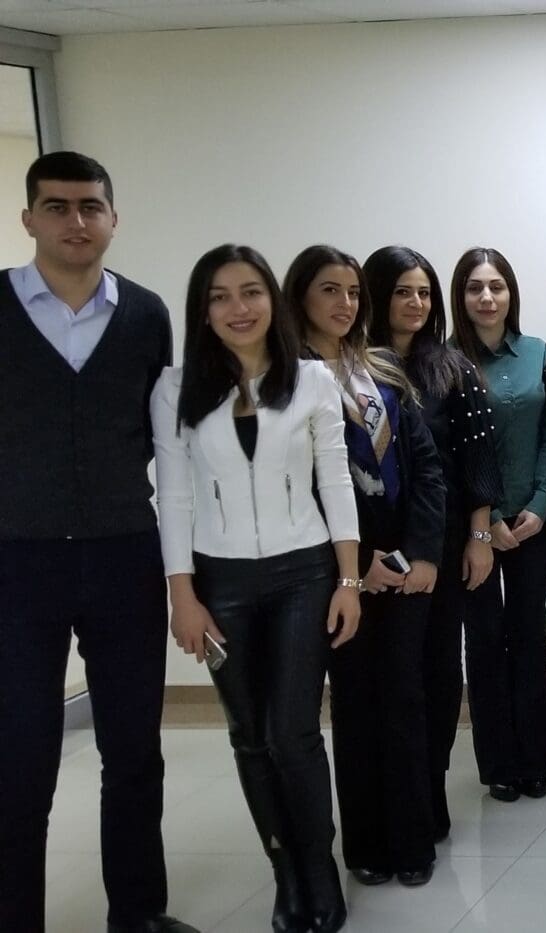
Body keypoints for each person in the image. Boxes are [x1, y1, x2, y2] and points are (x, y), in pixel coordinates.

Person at [0, 151, 196, 933]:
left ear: (113, 218)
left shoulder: (147, 313)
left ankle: (138, 914)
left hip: (123, 554)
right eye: (57, 207)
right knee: (21, 759)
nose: (75, 222)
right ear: (29, 220)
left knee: (133, 751)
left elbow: (159, 438)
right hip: (18, 559)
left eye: (90, 207)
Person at [152, 244, 361, 933]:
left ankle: (320, 864)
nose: (238, 308)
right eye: (219, 296)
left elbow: (334, 479)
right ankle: (285, 871)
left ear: (274, 299)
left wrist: (350, 578)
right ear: (202, 311)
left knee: (293, 731)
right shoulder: (176, 387)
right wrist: (182, 594)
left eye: (251, 292)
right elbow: (174, 496)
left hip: (304, 572)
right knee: (247, 735)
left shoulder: (311, 381)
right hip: (220, 581)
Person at [291, 243, 447, 890]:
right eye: (330, 290)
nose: (345, 303)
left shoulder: (379, 370)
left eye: (353, 292)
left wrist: (420, 552)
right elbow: (298, 484)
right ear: (300, 296)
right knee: (355, 706)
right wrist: (355, 565)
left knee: (405, 700)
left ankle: (412, 840)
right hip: (338, 574)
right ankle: (367, 846)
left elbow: (427, 468)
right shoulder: (284, 379)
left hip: (405, 568)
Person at [366, 246, 503, 843]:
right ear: (376, 296)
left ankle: (430, 788)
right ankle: (389, 800)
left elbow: (478, 460)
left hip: (443, 543)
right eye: (402, 292)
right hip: (369, 548)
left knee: (439, 673)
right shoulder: (350, 368)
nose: (416, 303)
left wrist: (478, 537)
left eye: (423, 293)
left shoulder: (452, 367)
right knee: (385, 680)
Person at [449, 248, 546, 801]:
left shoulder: (537, 351)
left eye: (496, 286)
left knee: (528, 637)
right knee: (485, 643)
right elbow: (452, 453)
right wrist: (488, 520)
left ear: (511, 293)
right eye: (474, 288)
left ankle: (534, 757)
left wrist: (539, 503)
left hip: (533, 523)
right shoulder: (444, 361)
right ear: (460, 296)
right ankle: (498, 765)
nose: (486, 298)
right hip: (474, 532)